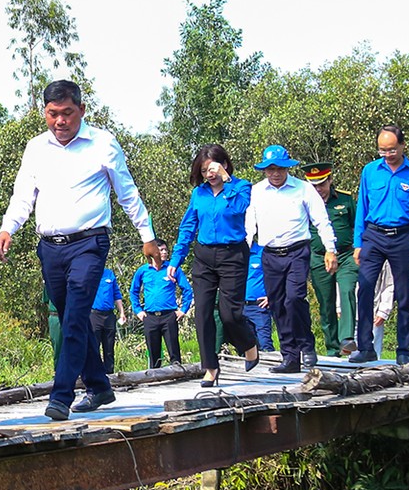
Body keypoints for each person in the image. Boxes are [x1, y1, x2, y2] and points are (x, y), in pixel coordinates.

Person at [0, 81, 162, 421]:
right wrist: (7, 229)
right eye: (52, 114)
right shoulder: (36, 148)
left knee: (73, 318)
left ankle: (61, 395)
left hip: (90, 243)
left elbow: (127, 193)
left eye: (67, 113)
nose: (60, 121)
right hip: (50, 248)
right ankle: (100, 386)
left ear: (81, 111)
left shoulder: (102, 143)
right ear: (44, 113)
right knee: (72, 316)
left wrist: (147, 235)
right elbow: (23, 195)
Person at [167, 144, 259, 387]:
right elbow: (188, 227)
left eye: (213, 168)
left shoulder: (241, 187)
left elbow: (240, 208)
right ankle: (210, 367)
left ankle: (249, 344)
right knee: (203, 313)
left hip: (233, 255)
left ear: (225, 166)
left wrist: (227, 182)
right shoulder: (199, 194)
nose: (209, 173)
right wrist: (175, 260)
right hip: (205, 256)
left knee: (230, 315)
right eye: (204, 169)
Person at [246, 145, 337, 374]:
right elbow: (250, 223)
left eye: (279, 168)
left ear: (287, 168)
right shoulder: (257, 191)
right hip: (270, 254)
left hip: (297, 251)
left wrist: (330, 248)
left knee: (294, 299)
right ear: (264, 170)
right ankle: (290, 356)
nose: (275, 173)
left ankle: (307, 346)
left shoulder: (303, 189)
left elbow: (321, 220)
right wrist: (243, 251)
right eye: (270, 169)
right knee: (277, 305)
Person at [352, 126, 409, 364]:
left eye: (391, 149)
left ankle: (404, 351)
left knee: (405, 294)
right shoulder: (370, 171)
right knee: (365, 289)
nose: (387, 154)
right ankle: (365, 346)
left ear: (402, 146)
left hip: (402, 237)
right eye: (382, 150)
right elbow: (362, 209)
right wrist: (358, 242)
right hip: (373, 236)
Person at [300, 163, 358, 356]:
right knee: (326, 303)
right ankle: (332, 349)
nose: (318, 189)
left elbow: (357, 226)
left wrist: (360, 248)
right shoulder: (304, 202)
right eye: (314, 185)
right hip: (318, 258)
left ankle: (347, 338)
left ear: (330, 180)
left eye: (322, 184)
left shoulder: (345, 198)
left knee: (348, 289)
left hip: (345, 255)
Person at [128, 252, 191, 368]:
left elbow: (187, 290)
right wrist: (138, 310)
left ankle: (177, 375)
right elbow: (133, 291)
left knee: (174, 352)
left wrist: (183, 310)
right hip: (150, 317)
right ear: (153, 253)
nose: (164, 252)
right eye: (161, 250)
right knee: (153, 354)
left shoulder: (172, 269)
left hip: (169, 316)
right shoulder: (143, 270)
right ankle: (154, 378)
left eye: (165, 250)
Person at [90, 264, 129, 376]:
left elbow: (116, 294)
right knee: (94, 347)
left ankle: (110, 374)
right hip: (94, 315)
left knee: (109, 348)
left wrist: (122, 312)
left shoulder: (109, 274)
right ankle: (94, 375)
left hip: (108, 316)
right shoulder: (89, 274)